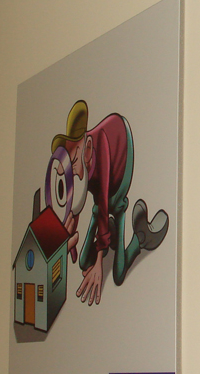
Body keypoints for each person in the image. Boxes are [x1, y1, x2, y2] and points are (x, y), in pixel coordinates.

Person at [51, 100, 169, 305]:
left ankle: (140, 238)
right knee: (82, 262)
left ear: (88, 148)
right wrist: (68, 236)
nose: (73, 170)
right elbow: (75, 202)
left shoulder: (101, 145)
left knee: (118, 274)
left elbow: (104, 200)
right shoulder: (81, 162)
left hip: (118, 181)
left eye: (74, 162)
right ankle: (108, 233)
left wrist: (99, 263)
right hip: (101, 198)